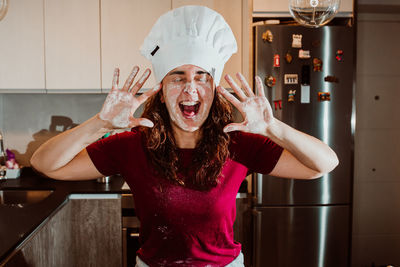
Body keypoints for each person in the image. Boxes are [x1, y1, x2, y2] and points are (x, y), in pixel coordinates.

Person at [30, 5, 338, 267]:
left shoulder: (237, 142)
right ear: (162, 92)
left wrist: (272, 127)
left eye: (201, 76)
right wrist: (100, 123)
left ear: (213, 91)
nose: (191, 87)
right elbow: (46, 164)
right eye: (178, 76)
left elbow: (323, 164)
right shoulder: (134, 143)